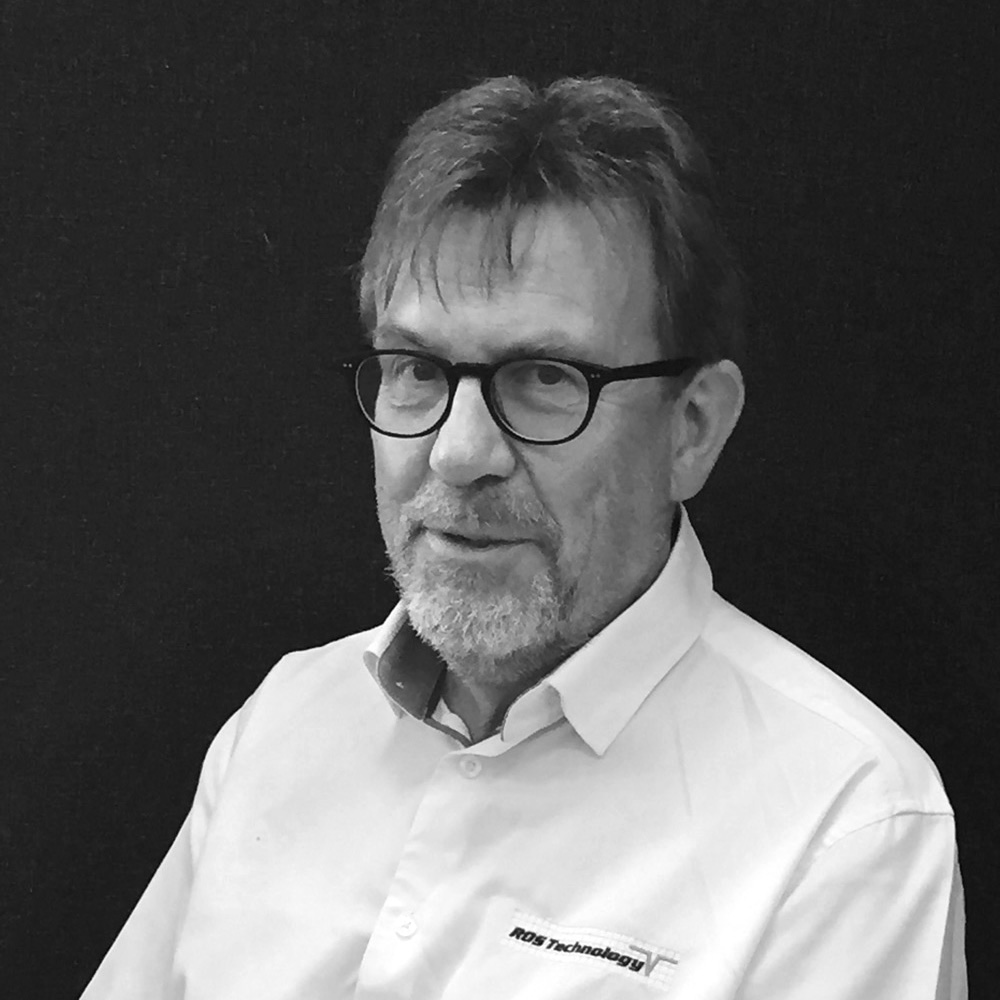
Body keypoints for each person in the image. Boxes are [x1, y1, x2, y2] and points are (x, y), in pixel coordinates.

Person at [82, 76, 966, 999]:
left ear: (693, 427)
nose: (459, 453)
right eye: (416, 369)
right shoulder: (283, 725)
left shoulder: (844, 825)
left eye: (546, 376)